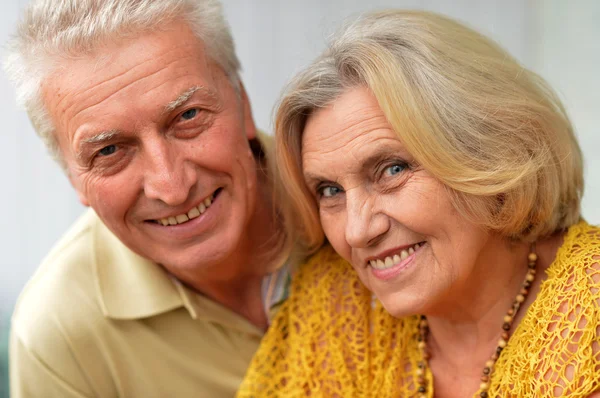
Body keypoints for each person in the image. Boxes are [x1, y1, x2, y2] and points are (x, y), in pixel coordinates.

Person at [238, 10, 600, 398]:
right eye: (330, 191)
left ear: (491, 154)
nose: (357, 231)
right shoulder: (336, 305)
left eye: (392, 169)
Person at [4, 0, 292, 396]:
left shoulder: (364, 204)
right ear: (72, 178)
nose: (172, 186)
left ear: (242, 103)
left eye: (187, 116)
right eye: (108, 151)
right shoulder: (58, 334)